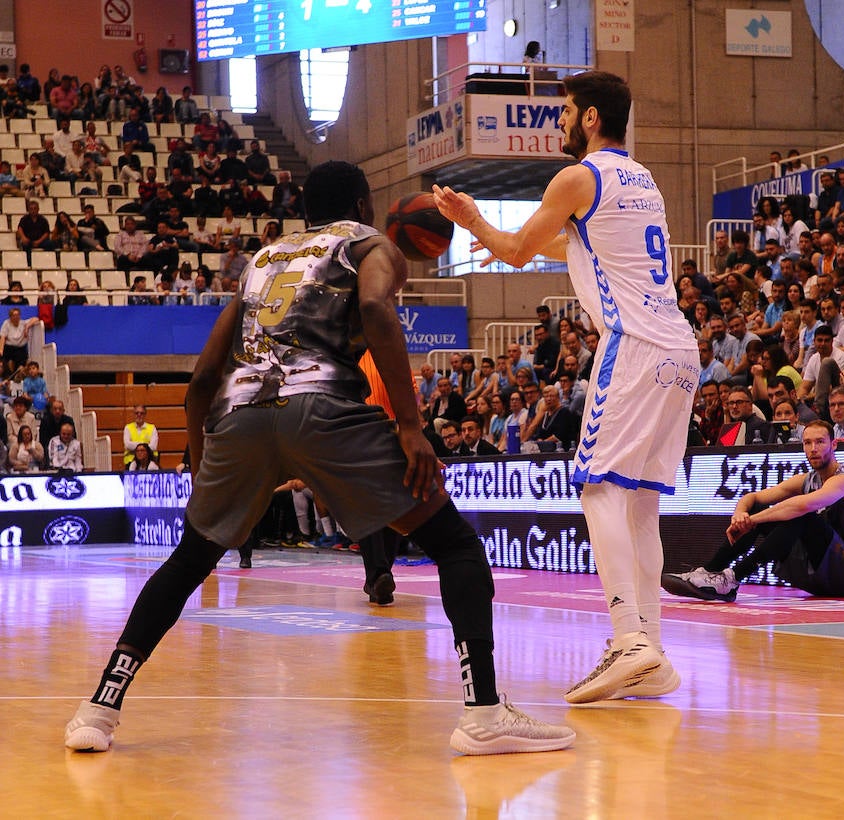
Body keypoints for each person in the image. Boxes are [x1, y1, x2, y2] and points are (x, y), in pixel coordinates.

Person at [64, 159, 574, 756]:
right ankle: (485, 712)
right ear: (362, 205)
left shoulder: (259, 261)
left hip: (241, 414)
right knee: (455, 545)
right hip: (323, 409)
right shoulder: (369, 243)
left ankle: (97, 710)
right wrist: (411, 424)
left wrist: (199, 457)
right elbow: (379, 312)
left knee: (188, 563)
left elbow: (203, 376)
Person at [434, 71, 698, 703]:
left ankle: (627, 638)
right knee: (639, 503)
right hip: (680, 349)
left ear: (588, 118)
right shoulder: (642, 179)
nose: (558, 123)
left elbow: (523, 249)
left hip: (632, 345)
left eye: (565, 111)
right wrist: (502, 241)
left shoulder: (575, 178)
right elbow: (568, 242)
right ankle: (651, 651)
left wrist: (475, 219)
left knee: (598, 486)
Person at [663, 420, 844, 602]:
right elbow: (753, 498)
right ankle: (710, 571)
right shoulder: (807, 479)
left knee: (800, 514)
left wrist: (752, 521)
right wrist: (740, 514)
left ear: (834, 445)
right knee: (759, 509)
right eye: (807, 443)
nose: (813, 448)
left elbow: (802, 506)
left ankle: (732, 578)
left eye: (820, 442)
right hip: (819, 572)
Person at [0, 309, 40, 379]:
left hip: (20, 348)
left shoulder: (23, 323)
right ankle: (8, 378)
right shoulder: (6, 323)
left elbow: (36, 319)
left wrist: (27, 327)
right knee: (5, 361)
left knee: (21, 362)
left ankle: (18, 377)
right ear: (10, 317)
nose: (16, 317)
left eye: (18, 315)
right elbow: (2, 337)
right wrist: (1, 350)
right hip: (9, 347)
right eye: (14, 315)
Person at [39, 398, 76, 467]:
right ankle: (49, 467)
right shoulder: (45, 421)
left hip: (66, 445)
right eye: (55, 409)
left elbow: (73, 438)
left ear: (63, 411)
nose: (57, 411)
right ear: (51, 410)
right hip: (51, 447)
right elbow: (43, 441)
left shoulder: (69, 420)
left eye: (60, 409)